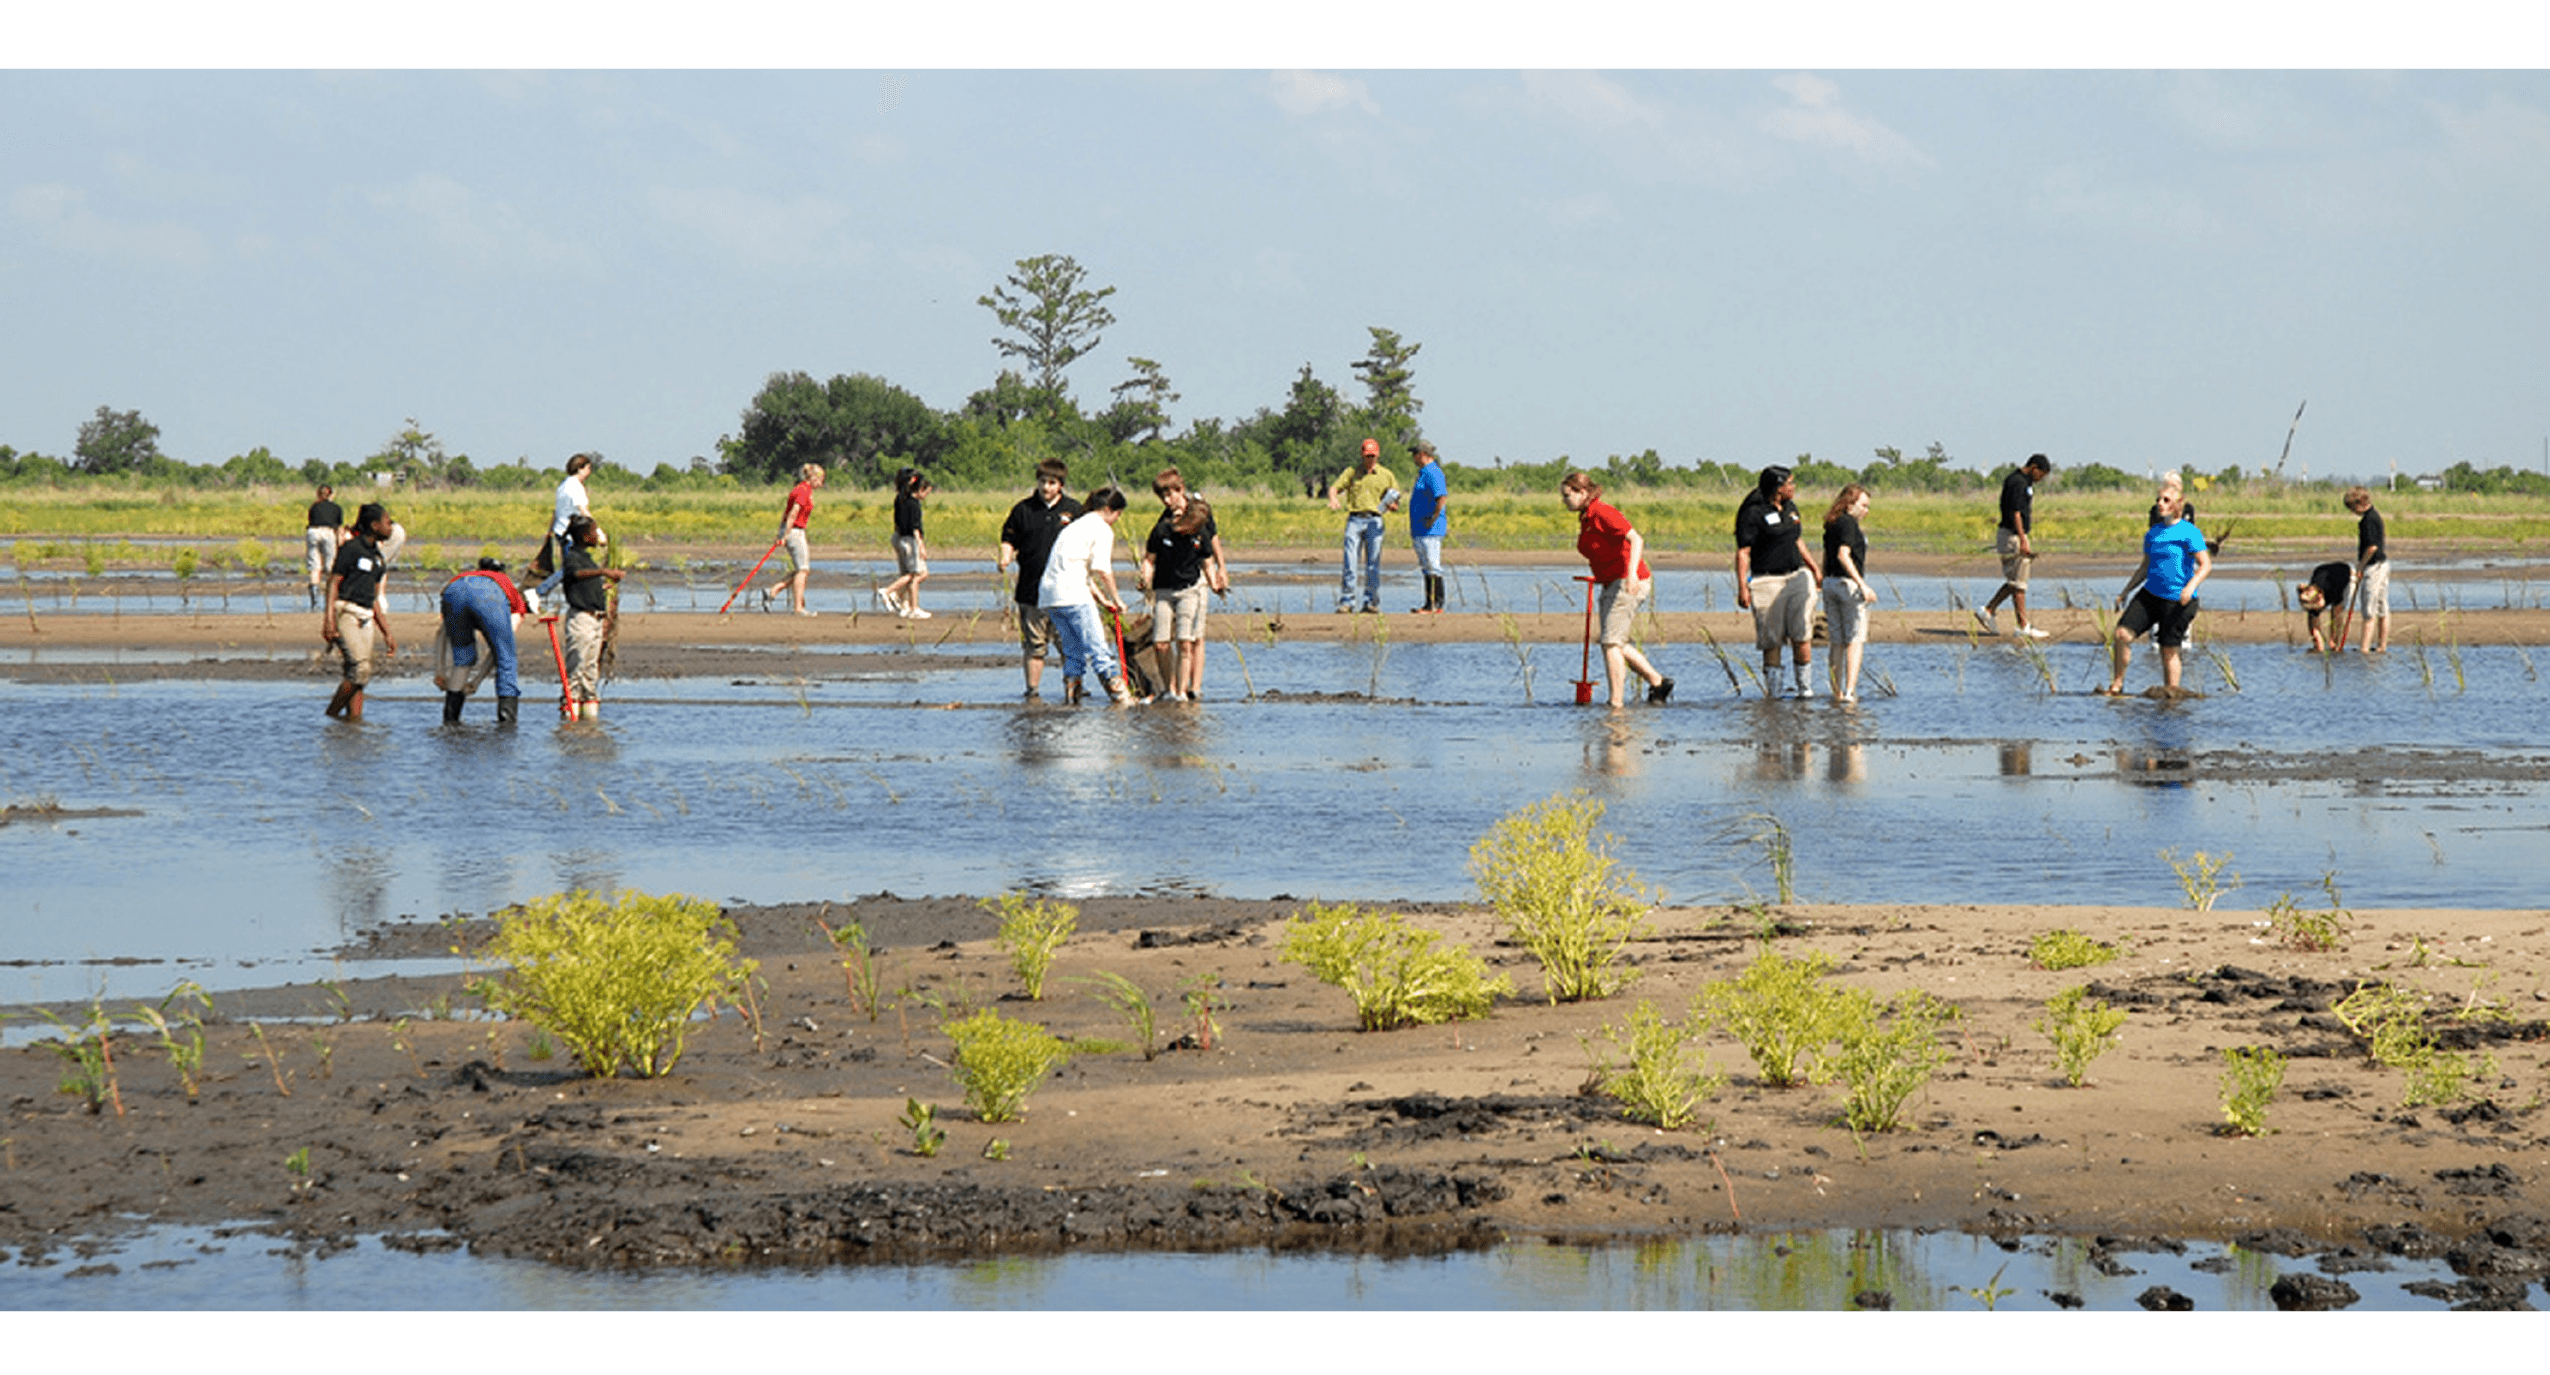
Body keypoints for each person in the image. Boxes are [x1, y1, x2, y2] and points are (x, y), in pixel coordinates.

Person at [1563, 472, 1673, 708]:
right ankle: (1658, 682)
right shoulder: (1586, 518)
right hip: (1611, 582)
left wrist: (1631, 574)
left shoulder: (1603, 512)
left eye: (1567, 495)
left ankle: (1615, 704)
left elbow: (1636, 539)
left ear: (1582, 493)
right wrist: (1600, 576)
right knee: (1616, 642)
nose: (1564, 501)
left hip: (1628, 581)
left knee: (1611, 643)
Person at [2103, 477, 2210, 696]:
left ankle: (2172, 696)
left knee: (2168, 650)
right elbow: (2145, 566)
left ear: (2177, 504)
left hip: (2179, 598)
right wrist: (2125, 591)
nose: (2160, 503)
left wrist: (2190, 588)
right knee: (2122, 634)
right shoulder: (2152, 534)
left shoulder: (2189, 532)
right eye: (2158, 499)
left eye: (2166, 500)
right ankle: (2117, 685)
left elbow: (2205, 565)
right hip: (2150, 595)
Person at [1038, 486, 1135, 705]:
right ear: (1110, 510)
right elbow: (1103, 569)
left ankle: (1073, 698)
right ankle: (1123, 700)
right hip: (1073, 595)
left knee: (1073, 650)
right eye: (1118, 515)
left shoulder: (1075, 526)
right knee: (1099, 648)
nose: (1117, 520)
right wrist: (1118, 599)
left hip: (1051, 596)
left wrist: (1103, 600)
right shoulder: (1101, 529)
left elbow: (1081, 571)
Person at [996, 458, 1081, 700]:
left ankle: (1073, 690)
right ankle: (1032, 691)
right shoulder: (1023, 509)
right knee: (1034, 645)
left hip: (1065, 591)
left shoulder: (1074, 510)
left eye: (1052, 482)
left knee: (1068, 645)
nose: (1046, 487)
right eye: (1043, 481)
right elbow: (1008, 538)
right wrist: (1005, 557)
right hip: (1031, 590)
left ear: (1061, 484)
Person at [1734, 464, 1820, 698]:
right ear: (1777, 487)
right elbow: (1744, 552)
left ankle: (1805, 690)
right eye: (1789, 483)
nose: (1793, 487)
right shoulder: (1753, 513)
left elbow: (1798, 540)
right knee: (1771, 639)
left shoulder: (1791, 508)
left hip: (1796, 577)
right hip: (1766, 580)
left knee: (1802, 634)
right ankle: (1775, 693)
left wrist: (1814, 568)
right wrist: (1742, 586)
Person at [1140, 476, 1227, 703]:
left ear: (1181, 490)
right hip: (1167, 583)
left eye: (1170, 495)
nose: (1167, 501)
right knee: (1169, 641)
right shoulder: (1164, 522)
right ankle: (1174, 689)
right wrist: (1145, 578)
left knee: (1192, 638)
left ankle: (1191, 689)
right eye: (1163, 497)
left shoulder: (1200, 512)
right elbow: (1151, 555)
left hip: (1194, 582)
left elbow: (1212, 542)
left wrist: (1220, 571)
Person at [321, 502, 398, 720]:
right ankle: (331, 715)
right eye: (387, 522)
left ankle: (353, 723)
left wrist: (386, 632)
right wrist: (329, 621)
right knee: (360, 669)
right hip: (347, 612)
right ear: (374, 525)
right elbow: (333, 583)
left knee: (358, 674)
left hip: (366, 617)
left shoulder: (377, 556)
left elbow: (373, 597)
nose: (391, 527)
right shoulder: (351, 548)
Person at [436, 557, 527, 725]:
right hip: (488, 596)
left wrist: (439, 670)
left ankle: (450, 720)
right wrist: (477, 681)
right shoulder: (505, 585)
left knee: (463, 659)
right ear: (501, 573)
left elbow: (441, 633)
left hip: (452, 592)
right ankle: (506, 726)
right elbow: (500, 651)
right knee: (507, 660)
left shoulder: (464, 577)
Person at [1977, 453, 2053, 639]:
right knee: (2018, 583)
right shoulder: (2019, 482)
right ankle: (2016, 623)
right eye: (2041, 475)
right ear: (2034, 468)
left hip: (2011, 535)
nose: (2041, 479)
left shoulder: (2019, 480)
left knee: (2016, 582)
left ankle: (1993, 613)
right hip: (2012, 536)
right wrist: (2023, 539)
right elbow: (2016, 513)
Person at [558, 513, 622, 719]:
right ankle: (570, 708)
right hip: (581, 620)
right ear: (586, 537)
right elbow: (575, 574)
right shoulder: (572, 557)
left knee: (590, 668)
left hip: (595, 619)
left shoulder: (586, 558)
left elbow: (583, 579)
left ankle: (589, 711)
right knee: (576, 665)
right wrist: (603, 572)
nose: (597, 536)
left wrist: (599, 586)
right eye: (595, 532)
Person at [1327, 438, 1398, 613]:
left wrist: (1392, 506)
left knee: (1373, 563)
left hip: (1375, 519)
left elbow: (1395, 499)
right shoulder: (1352, 472)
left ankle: (1371, 602)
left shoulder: (1386, 475)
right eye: (1367, 455)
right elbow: (1334, 488)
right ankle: (1347, 601)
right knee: (1350, 562)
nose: (1370, 459)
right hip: (1355, 519)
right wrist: (1333, 498)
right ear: (1362, 454)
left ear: (1378, 455)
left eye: (1373, 455)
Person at [1821, 484, 1877, 703]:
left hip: (1830, 583)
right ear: (1850, 503)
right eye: (1863, 505)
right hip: (1847, 585)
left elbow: (1828, 555)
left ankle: (1837, 693)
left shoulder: (1832, 522)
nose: (1866, 510)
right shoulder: (1848, 523)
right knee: (1855, 640)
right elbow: (1843, 555)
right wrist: (1862, 584)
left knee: (1836, 641)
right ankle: (1850, 692)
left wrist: (1823, 579)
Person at [761, 462, 824, 616]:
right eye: (821, 480)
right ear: (814, 477)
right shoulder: (803, 490)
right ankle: (798, 608)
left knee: (801, 570)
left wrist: (781, 532)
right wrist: (784, 535)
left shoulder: (804, 489)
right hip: (794, 531)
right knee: (803, 570)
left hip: (795, 530)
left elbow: (788, 512)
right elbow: (793, 514)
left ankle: (772, 592)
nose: (822, 483)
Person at [531, 453, 597, 599]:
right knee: (570, 568)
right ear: (580, 468)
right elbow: (583, 510)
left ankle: (575, 597)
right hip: (570, 534)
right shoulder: (576, 486)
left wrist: (550, 531)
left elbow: (556, 511)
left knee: (573, 567)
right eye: (588, 468)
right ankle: (538, 592)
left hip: (560, 531)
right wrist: (597, 531)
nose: (589, 472)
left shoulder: (563, 485)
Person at [882, 467, 932, 619]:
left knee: (908, 574)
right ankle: (894, 593)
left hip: (899, 538)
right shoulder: (913, 503)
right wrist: (922, 547)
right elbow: (916, 528)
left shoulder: (899, 498)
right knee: (917, 574)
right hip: (910, 541)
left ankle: (906, 605)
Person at [2345, 485, 2389, 653]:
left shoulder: (2368, 520)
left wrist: (2360, 566)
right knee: (2381, 607)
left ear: (2359, 503)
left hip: (2374, 567)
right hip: (2382, 565)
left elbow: (2371, 547)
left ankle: (2364, 649)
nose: (2352, 512)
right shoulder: (2375, 515)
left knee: (2369, 610)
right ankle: (2381, 646)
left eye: (2351, 508)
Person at [1407, 441, 1450, 613]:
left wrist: (1433, 518)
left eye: (1415, 454)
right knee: (1426, 566)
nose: (1413, 458)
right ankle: (1428, 604)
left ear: (1422, 454)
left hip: (1430, 529)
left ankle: (1436, 604)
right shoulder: (1423, 473)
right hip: (1420, 529)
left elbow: (1441, 497)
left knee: (1433, 565)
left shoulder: (1433, 472)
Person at [2296, 561, 2354, 654]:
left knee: (2337, 611)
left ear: (2320, 597)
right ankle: (2318, 644)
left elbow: (2337, 612)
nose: (2319, 610)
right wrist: (2318, 643)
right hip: (2322, 571)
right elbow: (2313, 617)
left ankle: (2336, 642)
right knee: (2313, 616)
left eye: (2319, 608)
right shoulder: (2310, 594)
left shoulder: (2334, 590)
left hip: (2345, 573)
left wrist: (2333, 641)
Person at [303, 484, 344, 609]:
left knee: (314, 566)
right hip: (328, 532)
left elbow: (311, 521)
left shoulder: (313, 507)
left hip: (313, 532)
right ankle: (330, 599)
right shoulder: (336, 508)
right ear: (331, 495)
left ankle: (314, 602)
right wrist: (340, 543)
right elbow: (338, 528)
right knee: (330, 566)